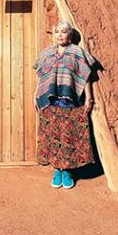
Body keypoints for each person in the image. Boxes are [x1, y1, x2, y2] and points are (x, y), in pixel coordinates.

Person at [33, 20, 95, 189]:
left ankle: (67, 171)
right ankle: (56, 170)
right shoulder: (46, 54)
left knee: (69, 136)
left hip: (70, 103)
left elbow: (86, 76)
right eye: (57, 32)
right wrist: (35, 94)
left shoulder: (77, 53)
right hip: (49, 102)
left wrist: (88, 98)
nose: (60, 34)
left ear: (70, 35)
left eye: (64, 31)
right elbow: (41, 76)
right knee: (52, 136)